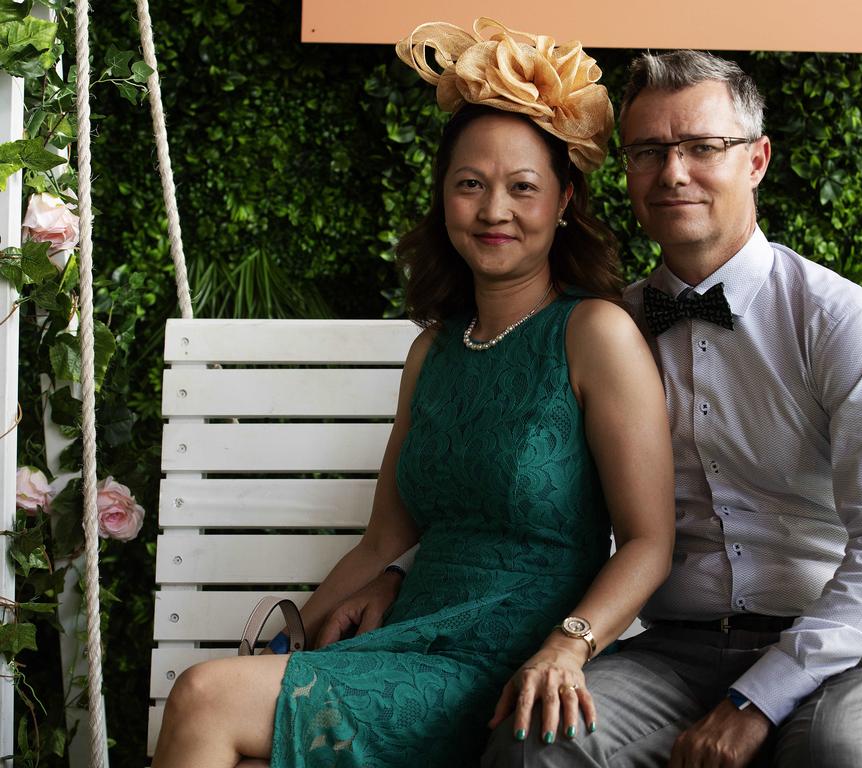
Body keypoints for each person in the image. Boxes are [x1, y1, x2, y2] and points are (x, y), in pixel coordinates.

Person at [150, 19, 674, 768]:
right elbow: (383, 540)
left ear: (563, 203)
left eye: (523, 188)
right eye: (470, 185)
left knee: (205, 696)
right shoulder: (432, 351)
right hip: (412, 638)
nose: (495, 210)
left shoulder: (594, 335)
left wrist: (569, 646)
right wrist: (294, 637)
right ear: (443, 199)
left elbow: (650, 542)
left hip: (506, 662)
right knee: (236, 724)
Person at [479, 49, 862, 768]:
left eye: (703, 147)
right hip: (669, 654)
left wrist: (756, 699)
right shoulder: (607, 331)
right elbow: (522, 500)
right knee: (533, 746)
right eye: (649, 151)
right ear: (627, 171)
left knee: (840, 756)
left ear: (756, 161)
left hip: (836, 652)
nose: (673, 172)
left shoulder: (838, 320)